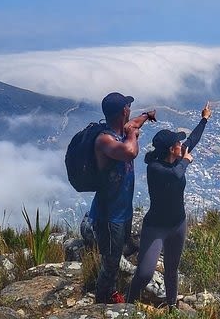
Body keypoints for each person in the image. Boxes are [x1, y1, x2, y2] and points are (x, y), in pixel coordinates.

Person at [127, 102, 212, 307]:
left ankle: (172, 307)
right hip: (156, 226)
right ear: (170, 149)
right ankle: (128, 302)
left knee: (172, 269)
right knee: (145, 272)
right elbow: (174, 175)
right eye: (178, 143)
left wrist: (205, 119)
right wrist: (186, 161)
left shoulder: (178, 154)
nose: (182, 145)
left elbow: (193, 139)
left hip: (178, 224)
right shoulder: (155, 168)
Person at [90, 92, 156, 304]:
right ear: (123, 112)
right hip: (109, 215)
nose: (130, 111)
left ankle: (111, 290)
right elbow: (130, 152)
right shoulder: (104, 139)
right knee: (110, 263)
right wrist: (132, 135)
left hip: (122, 211)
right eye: (128, 107)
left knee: (119, 252)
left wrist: (146, 116)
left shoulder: (120, 130)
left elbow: (134, 124)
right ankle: (101, 303)